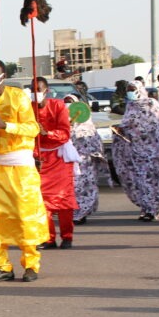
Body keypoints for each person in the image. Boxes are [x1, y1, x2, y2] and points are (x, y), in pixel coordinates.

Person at [0, 59, 48, 282]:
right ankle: (3, 266)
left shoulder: (18, 96)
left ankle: (31, 264)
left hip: (21, 166)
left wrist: (6, 125)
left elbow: (33, 128)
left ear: (3, 76)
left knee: (26, 216)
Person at [111, 80, 159, 221]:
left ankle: (153, 209)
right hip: (135, 151)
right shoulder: (130, 106)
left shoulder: (151, 104)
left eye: (132, 89)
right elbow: (128, 124)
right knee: (140, 181)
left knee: (151, 180)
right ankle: (146, 208)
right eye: (128, 90)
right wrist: (120, 130)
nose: (130, 92)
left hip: (152, 150)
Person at [32, 77, 78, 249]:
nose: (35, 93)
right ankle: (48, 238)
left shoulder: (58, 106)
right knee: (42, 201)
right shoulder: (28, 109)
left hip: (59, 158)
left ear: (47, 91)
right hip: (39, 159)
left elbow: (65, 133)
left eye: (38, 89)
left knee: (64, 200)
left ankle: (67, 236)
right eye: (32, 90)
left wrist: (47, 133)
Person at [64, 94, 105, 224]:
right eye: (65, 102)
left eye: (70, 102)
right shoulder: (61, 122)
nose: (68, 104)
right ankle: (73, 212)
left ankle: (81, 213)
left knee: (84, 187)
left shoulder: (86, 124)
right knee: (71, 187)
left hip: (84, 161)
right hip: (68, 161)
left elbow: (94, 140)